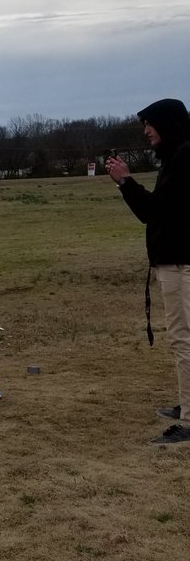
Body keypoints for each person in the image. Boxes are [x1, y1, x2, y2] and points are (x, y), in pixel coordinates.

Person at [106, 98, 190, 444]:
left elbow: (157, 211)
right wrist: (125, 183)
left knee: (184, 339)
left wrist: (126, 182)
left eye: (149, 124)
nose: (146, 131)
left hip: (181, 265)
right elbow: (154, 213)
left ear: (168, 123)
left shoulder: (184, 157)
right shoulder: (176, 157)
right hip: (175, 263)